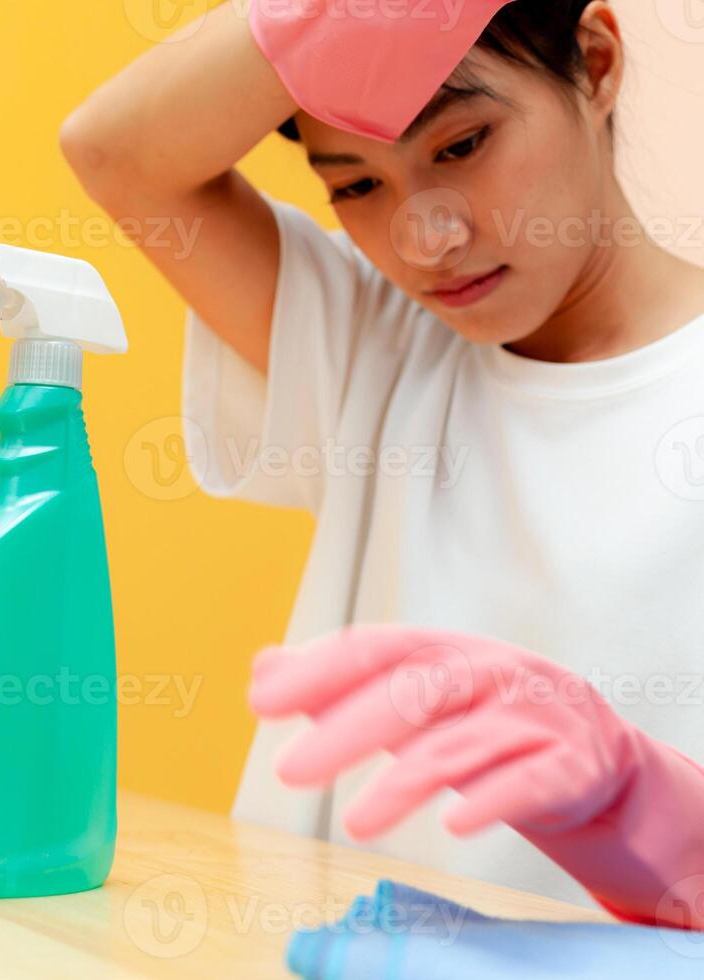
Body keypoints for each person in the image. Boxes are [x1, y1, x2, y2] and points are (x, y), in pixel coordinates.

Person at [60, 0, 704, 926]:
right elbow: (114, 152)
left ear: (596, 64)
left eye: (462, 145)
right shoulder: (380, 350)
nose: (424, 236)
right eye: (357, 186)